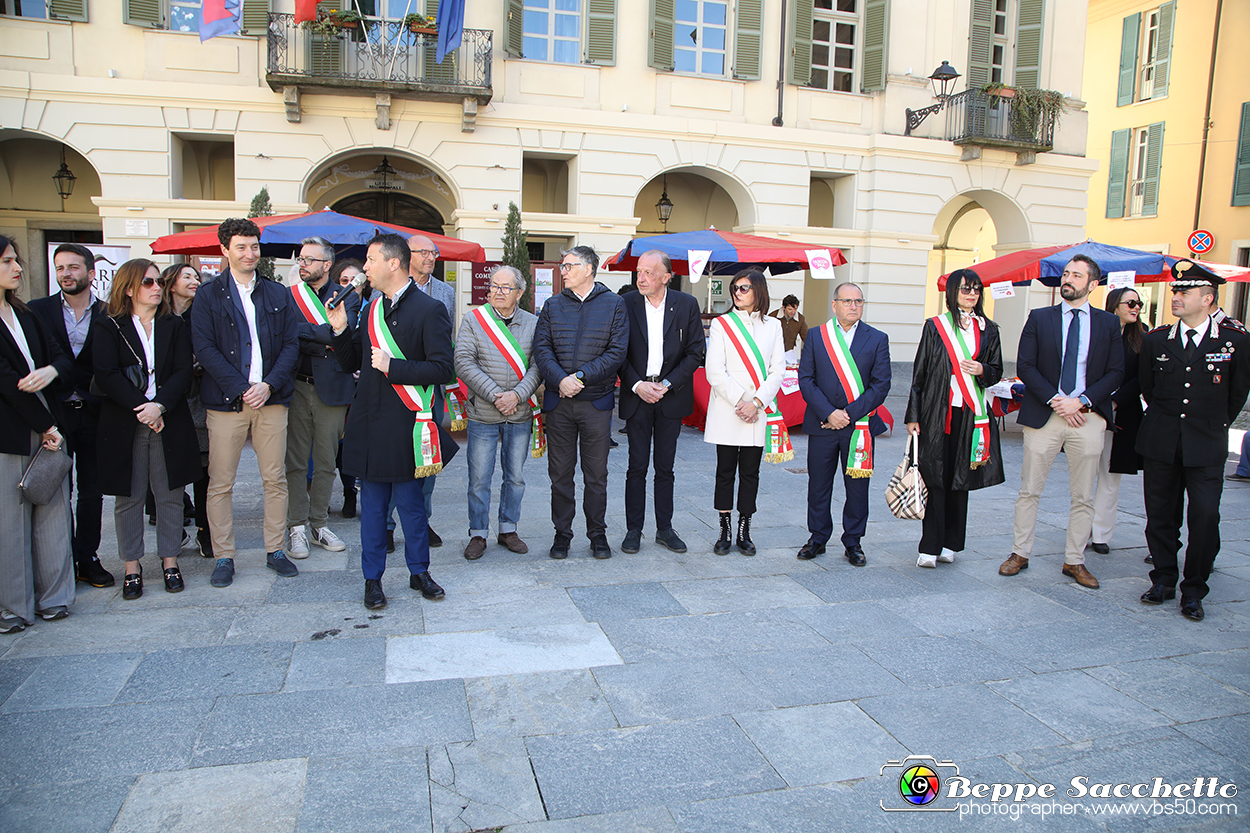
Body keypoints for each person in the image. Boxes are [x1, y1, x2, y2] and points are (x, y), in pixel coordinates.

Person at [327, 233, 453, 609]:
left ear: (393, 263)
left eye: (369, 260)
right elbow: (353, 364)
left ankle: (420, 572)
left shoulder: (430, 310)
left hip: (407, 425)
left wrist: (393, 366)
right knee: (374, 510)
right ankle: (373, 580)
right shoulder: (370, 308)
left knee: (412, 507)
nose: (364, 268)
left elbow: (442, 368)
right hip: (369, 423)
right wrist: (338, 329)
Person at [998, 255, 1123, 589]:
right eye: (1066, 273)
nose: (1068, 279)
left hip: (1088, 417)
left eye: (1076, 275)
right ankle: (1019, 553)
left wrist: (1080, 401)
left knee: (1083, 495)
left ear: (1092, 284)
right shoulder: (1040, 318)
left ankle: (1075, 560)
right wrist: (1058, 401)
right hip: (1046, 415)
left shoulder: (1109, 324)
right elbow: (1026, 365)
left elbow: (1116, 372)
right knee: (1029, 490)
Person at [190, 217, 302, 588]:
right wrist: (242, 387)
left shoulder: (277, 293)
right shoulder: (207, 295)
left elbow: (291, 345)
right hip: (226, 402)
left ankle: (275, 550)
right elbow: (204, 349)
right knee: (220, 482)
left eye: (254, 246)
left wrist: (268, 385)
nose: (250, 253)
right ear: (224, 249)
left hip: (271, 400)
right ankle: (224, 556)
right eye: (241, 246)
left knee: (275, 478)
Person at [1137, 260, 1250, 621]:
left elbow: (1237, 393)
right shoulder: (1157, 340)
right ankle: (1164, 579)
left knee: (1204, 515)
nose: (1177, 296)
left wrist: (1214, 425)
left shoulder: (1233, 342)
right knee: (1160, 516)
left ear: (1208, 298)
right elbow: (1148, 389)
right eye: (1175, 291)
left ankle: (1194, 589)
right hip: (1162, 441)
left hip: (1206, 444)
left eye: (1185, 292)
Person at [93, 259, 200, 598]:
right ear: (129, 289)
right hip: (126, 421)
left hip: (168, 419)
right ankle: (131, 567)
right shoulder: (109, 326)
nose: (157, 288)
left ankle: (170, 561)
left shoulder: (174, 325)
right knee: (129, 496)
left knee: (169, 494)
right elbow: (106, 374)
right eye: (148, 283)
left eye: (158, 282)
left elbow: (183, 372)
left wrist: (160, 406)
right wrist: (143, 409)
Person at [533, 245, 629, 560]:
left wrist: (581, 377)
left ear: (588, 268)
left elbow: (617, 352)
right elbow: (541, 348)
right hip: (558, 403)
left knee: (596, 475)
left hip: (596, 404)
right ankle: (562, 535)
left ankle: (597, 535)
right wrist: (561, 379)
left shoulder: (614, 305)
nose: (563, 271)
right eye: (563, 266)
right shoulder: (552, 305)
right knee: (559, 474)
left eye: (568, 265)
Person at [905, 269, 1004, 568]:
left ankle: (951, 543)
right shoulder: (936, 327)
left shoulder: (990, 329)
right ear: (952, 293)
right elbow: (919, 373)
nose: (971, 294)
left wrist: (982, 370)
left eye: (976, 289)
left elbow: (996, 369)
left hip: (972, 415)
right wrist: (913, 415)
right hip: (938, 413)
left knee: (961, 479)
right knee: (935, 477)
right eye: (965, 289)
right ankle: (929, 546)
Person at [0, 235, 74, 632]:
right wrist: (46, 427)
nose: (18, 267)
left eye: (16, 260)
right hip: (13, 431)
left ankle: (55, 598)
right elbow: (6, 381)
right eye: (8, 261)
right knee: (9, 522)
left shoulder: (26, 314)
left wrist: (52, 370)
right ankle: (13, 608)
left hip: (49, 425)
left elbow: (62, 355)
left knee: (53, 511)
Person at [28, 243, 114, 588]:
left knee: (92, 491)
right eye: (60, 268)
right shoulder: (36, 311)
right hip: (55, 414)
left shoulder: (109, 313)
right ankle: (57, 559)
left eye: (74, 267)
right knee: (56, 489)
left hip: (95, 413)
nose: (66, 273)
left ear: (91, 274)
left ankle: (87, 558)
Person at [797, 282, 892, 565]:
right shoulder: (816, 336)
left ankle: (853, 541)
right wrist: (829, 413)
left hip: (859, 428)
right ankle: (817, 537)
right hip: (823, 425)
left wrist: (847, 414)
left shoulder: (877, 338)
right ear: (834, 304)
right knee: (819, 485)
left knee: (857, 488)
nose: (854, 306)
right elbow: (806, 379)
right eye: (848, 301)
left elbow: (881, 384)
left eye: (859, 302)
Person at [618, 250, 705, 555]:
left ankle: (665, 529)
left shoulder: (686, 304)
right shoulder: (625, 303)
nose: (641, 278)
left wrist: (666, 384)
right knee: (636, 466)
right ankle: (633, 529)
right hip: (637, 394)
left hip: (671, 396)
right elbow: (617, 352)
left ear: (667, 277)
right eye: (639, 272)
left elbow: (696, 352)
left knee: (665, 467)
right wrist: (638, 384)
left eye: (649, 273)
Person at [453, 265, 541, 560]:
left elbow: (538, 366)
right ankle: (477, 533)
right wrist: (495, 395)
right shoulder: (474, 320)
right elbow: (463, 361)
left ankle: (508, 529)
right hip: (483, 414)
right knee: (479, 478)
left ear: (520, 292)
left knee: (515, 477)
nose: (498, 292)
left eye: (505, 287)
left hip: (519, 414)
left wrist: (517, 395)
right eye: (493, 286)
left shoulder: (533, 323)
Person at [703, 269, 787, 555]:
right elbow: (715, 370)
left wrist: (758, 402)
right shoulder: (721, 324)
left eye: (744, 288)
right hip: (730, 409)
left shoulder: (773, 326)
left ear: (758, 291)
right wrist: (742, 400)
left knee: (751, 473)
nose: (738, 292)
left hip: (757, 411)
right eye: (735, 288)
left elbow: (778, 370)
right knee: (725, 472)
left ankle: (744, 530)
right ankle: (724, 530)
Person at [284, 237, 358, 559]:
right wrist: (322, 336)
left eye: (310, 260)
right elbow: (287, 333)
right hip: (297, 386)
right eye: (301, 259)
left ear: (327, 265)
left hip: (333, 388)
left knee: (327, 462)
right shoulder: (290, 296)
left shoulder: (347, 297)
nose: (303, 265)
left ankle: (319, 524)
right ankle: (296, 527)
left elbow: (343, 334)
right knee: (296, 461)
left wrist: (311, 334)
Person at [400, 233, 456, 549]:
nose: (431, 257)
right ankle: (390, 523)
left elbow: (446, 340)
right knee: (395, 456)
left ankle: (422, 521)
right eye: (423, 252)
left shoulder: (445, 292)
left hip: (431, 389)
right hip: (397, 387)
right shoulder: (390, 289)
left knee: (429, 456)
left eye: (433, 252)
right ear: (407, 256)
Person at [1089, 286, 1148, 555]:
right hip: (1092, 409)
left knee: (1111, 476)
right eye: (1130, 303)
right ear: (1115, 305)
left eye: (1139, 304)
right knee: (1086, 473)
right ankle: (1083, 526)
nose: (1135, 308)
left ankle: (1101, 533)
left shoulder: (1143, 337)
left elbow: (1142, 378)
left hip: (1124, 412)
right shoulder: (1097, 331)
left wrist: (1116, 400)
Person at [161, 263, 212, 558]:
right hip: (168, 401)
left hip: (199, 399)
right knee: (168, 469)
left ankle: (205, 531)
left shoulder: (201, 313)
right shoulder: (160, 316)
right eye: (187, 277)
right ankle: (174, 528)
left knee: (205, 470)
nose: (195, 281)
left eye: (197, 276)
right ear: (171, 283)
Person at [331, 259, 366, 517]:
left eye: (356, 281)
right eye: (345, 281)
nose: (351, 286)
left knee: (363, 441)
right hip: (341, 383)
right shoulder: (332, 307)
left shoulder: (375, 308)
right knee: (343, 445)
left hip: (368, 386)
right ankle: (348, 493)